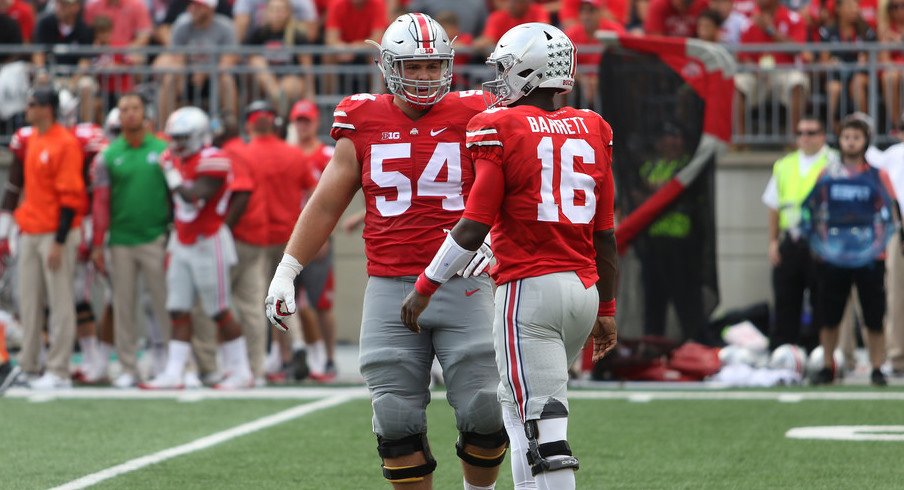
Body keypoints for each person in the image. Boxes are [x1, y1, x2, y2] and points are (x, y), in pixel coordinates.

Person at [266, 13, 507, 489]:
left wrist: (495, 240)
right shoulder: (362, 118)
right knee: (395, 419)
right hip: (390, 283)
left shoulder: (478, 112)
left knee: (483, 406)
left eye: (433, 66)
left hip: (464, 280)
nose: (424, 77)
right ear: (388, 66)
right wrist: (286, 270)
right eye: (413, 67)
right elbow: (326, 203)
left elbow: (514, 190)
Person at [400, 22, 618, 490]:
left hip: (528, 291)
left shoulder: (499, 125)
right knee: (516, 413)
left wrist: (425, 287)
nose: (498, 79)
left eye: (505, 68)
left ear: (528, 71)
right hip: (583, 291)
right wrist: (608, 308)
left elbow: (474, 222)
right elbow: (605, 236)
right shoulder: (593, 127)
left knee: (544, 426)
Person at [140, 106, 253, 390]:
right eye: (174, 137)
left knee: (219, 310)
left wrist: (170, 172)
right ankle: (174, 372)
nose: (176, 143)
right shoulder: (176, 159)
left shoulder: (213, 159)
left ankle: (241, 371)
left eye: (182, 137)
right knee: (177, 308)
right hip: (183, 239)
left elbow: (192, 197)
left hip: (208, 240)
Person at [806, 117, 900, 386]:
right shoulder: (827, 174)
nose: (851, 142)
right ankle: (828, 364)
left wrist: (881, 244)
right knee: (830, 314)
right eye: (846, 137)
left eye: (856, 137)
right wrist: (821, 245)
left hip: (870, 256)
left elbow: (890, 212)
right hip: (834, 254)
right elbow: (813, 211)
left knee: (873, 314)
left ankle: (877, 367)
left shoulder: (876, 175)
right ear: (840, 140)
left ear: (865, 141)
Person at [5, 87, 86, 389]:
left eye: (32, 104)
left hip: (55, 232)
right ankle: (28, 364)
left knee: (60, 301)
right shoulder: (33, 139)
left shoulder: (65, 143)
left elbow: (70, 197)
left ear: (47, 109)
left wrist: (60, 240)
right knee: (28, 301)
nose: (27, 108)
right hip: (32, 229)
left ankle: (59, 369)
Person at [91, 93, 172, 389]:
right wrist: (98, 243)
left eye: (135, 108)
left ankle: (168, 362)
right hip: (121, 239)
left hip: (155, 237)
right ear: (118, 116)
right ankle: (128, 366)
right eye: (124, 109)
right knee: (123, 306)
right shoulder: (108, 156)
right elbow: (100, 203)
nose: (130, 114)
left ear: (145, 113)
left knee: (164, 303)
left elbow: (174, 195)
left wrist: (171, 235)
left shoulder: (163, 150)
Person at [761, 116, 833, 351]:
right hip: (791, 239)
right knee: (785, 298)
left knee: (821, 300)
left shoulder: (833, 162)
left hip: (821, 242)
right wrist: (773, 241)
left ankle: (818, 352)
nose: (805, 137)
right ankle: (784, 350)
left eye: (811, 132)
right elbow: (773, 204)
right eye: (801, 132)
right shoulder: (785, 165)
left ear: (822, 135)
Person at [288, 98, 339, 381]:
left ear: (315, 122)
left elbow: (334, 198)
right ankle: (293, 357)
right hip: (289, 236)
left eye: (306, 120)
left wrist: (324, 235)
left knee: (321, 302)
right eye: (298, 121)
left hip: (317, 236)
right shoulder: (289, 154)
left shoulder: (326, 154)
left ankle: (329, 358)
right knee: (289, 301)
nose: (302, 126)